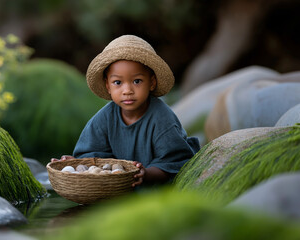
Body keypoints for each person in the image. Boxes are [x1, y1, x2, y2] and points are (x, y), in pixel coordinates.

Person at [51, 35, 200, 187]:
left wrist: (147, 174)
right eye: (118, 82)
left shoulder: (161, 117)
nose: (127, 90)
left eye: (137, 81)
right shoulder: (104, 118)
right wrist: (78, 166)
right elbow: (95, 156)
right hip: (120, 188)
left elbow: (175, 161)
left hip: (158, 187)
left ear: (152, 82)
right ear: (108, 86)